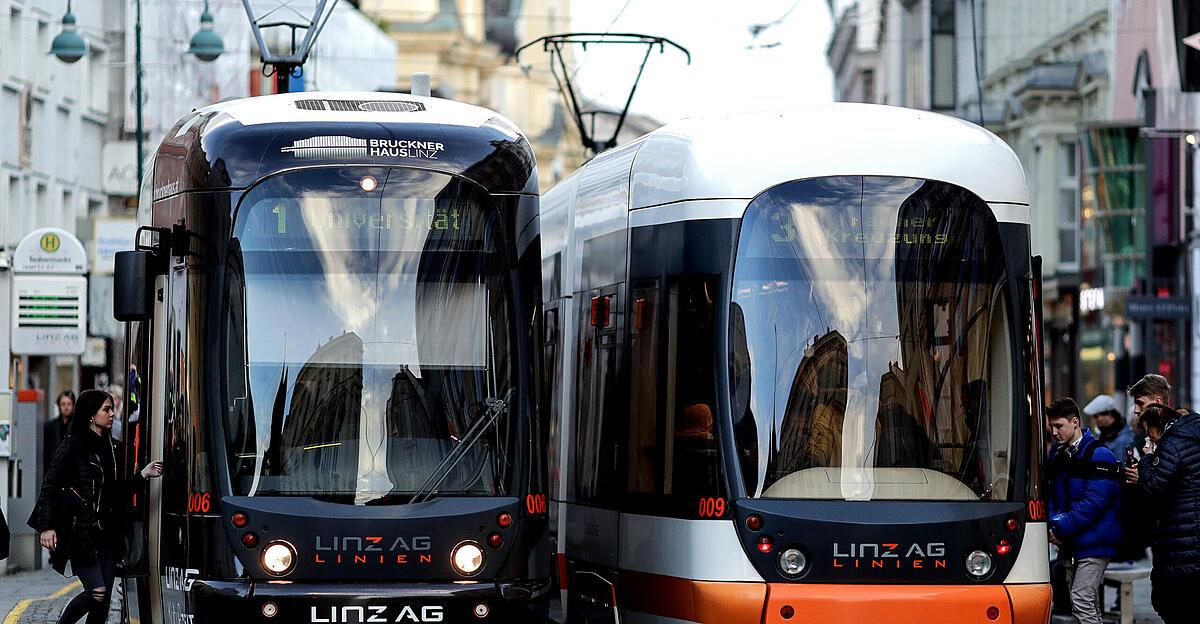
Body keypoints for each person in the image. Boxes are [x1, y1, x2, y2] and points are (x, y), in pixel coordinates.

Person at [26, 389, 163, 624]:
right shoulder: (72, 445)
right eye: (106, 410)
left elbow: (115, 491)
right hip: (81, 533)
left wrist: (143, 475)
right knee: (96, 591)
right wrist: (46, 527)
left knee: (104, 598)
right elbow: (50, 485)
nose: (111, 414)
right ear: (91, 414)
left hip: (107, 533)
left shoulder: (112, 448)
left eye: (111, 409)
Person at [1045, 398, 1123, 624]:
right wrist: (1055, 525)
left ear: (1075, 422)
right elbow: (1054, 497)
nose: (1054, 432)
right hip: (1072, 541)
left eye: (1059, 426)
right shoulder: (1061, 455)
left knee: (1081, 598)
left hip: (1094, 540)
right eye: (1052, 427)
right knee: (1083, 601)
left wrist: (1060, 527)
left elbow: (1094, 503)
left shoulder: (1099, 454)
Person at [1122, 403, 1200, 624]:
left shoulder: (1170, 444)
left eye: (1148, 433)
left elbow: (1154, 486)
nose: (1150, 438)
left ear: (1156, 427)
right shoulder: (1193, 435)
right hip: (1192, 535)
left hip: (1181, 540)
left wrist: (1147, 459)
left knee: (1178, 608)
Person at [43, 391, 75, 469]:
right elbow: (46, 451)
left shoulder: (78, 426)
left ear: (73, 405)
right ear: (59, 406)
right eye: (63, 404)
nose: (66, 407)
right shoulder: (50, 426)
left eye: (69, 404)